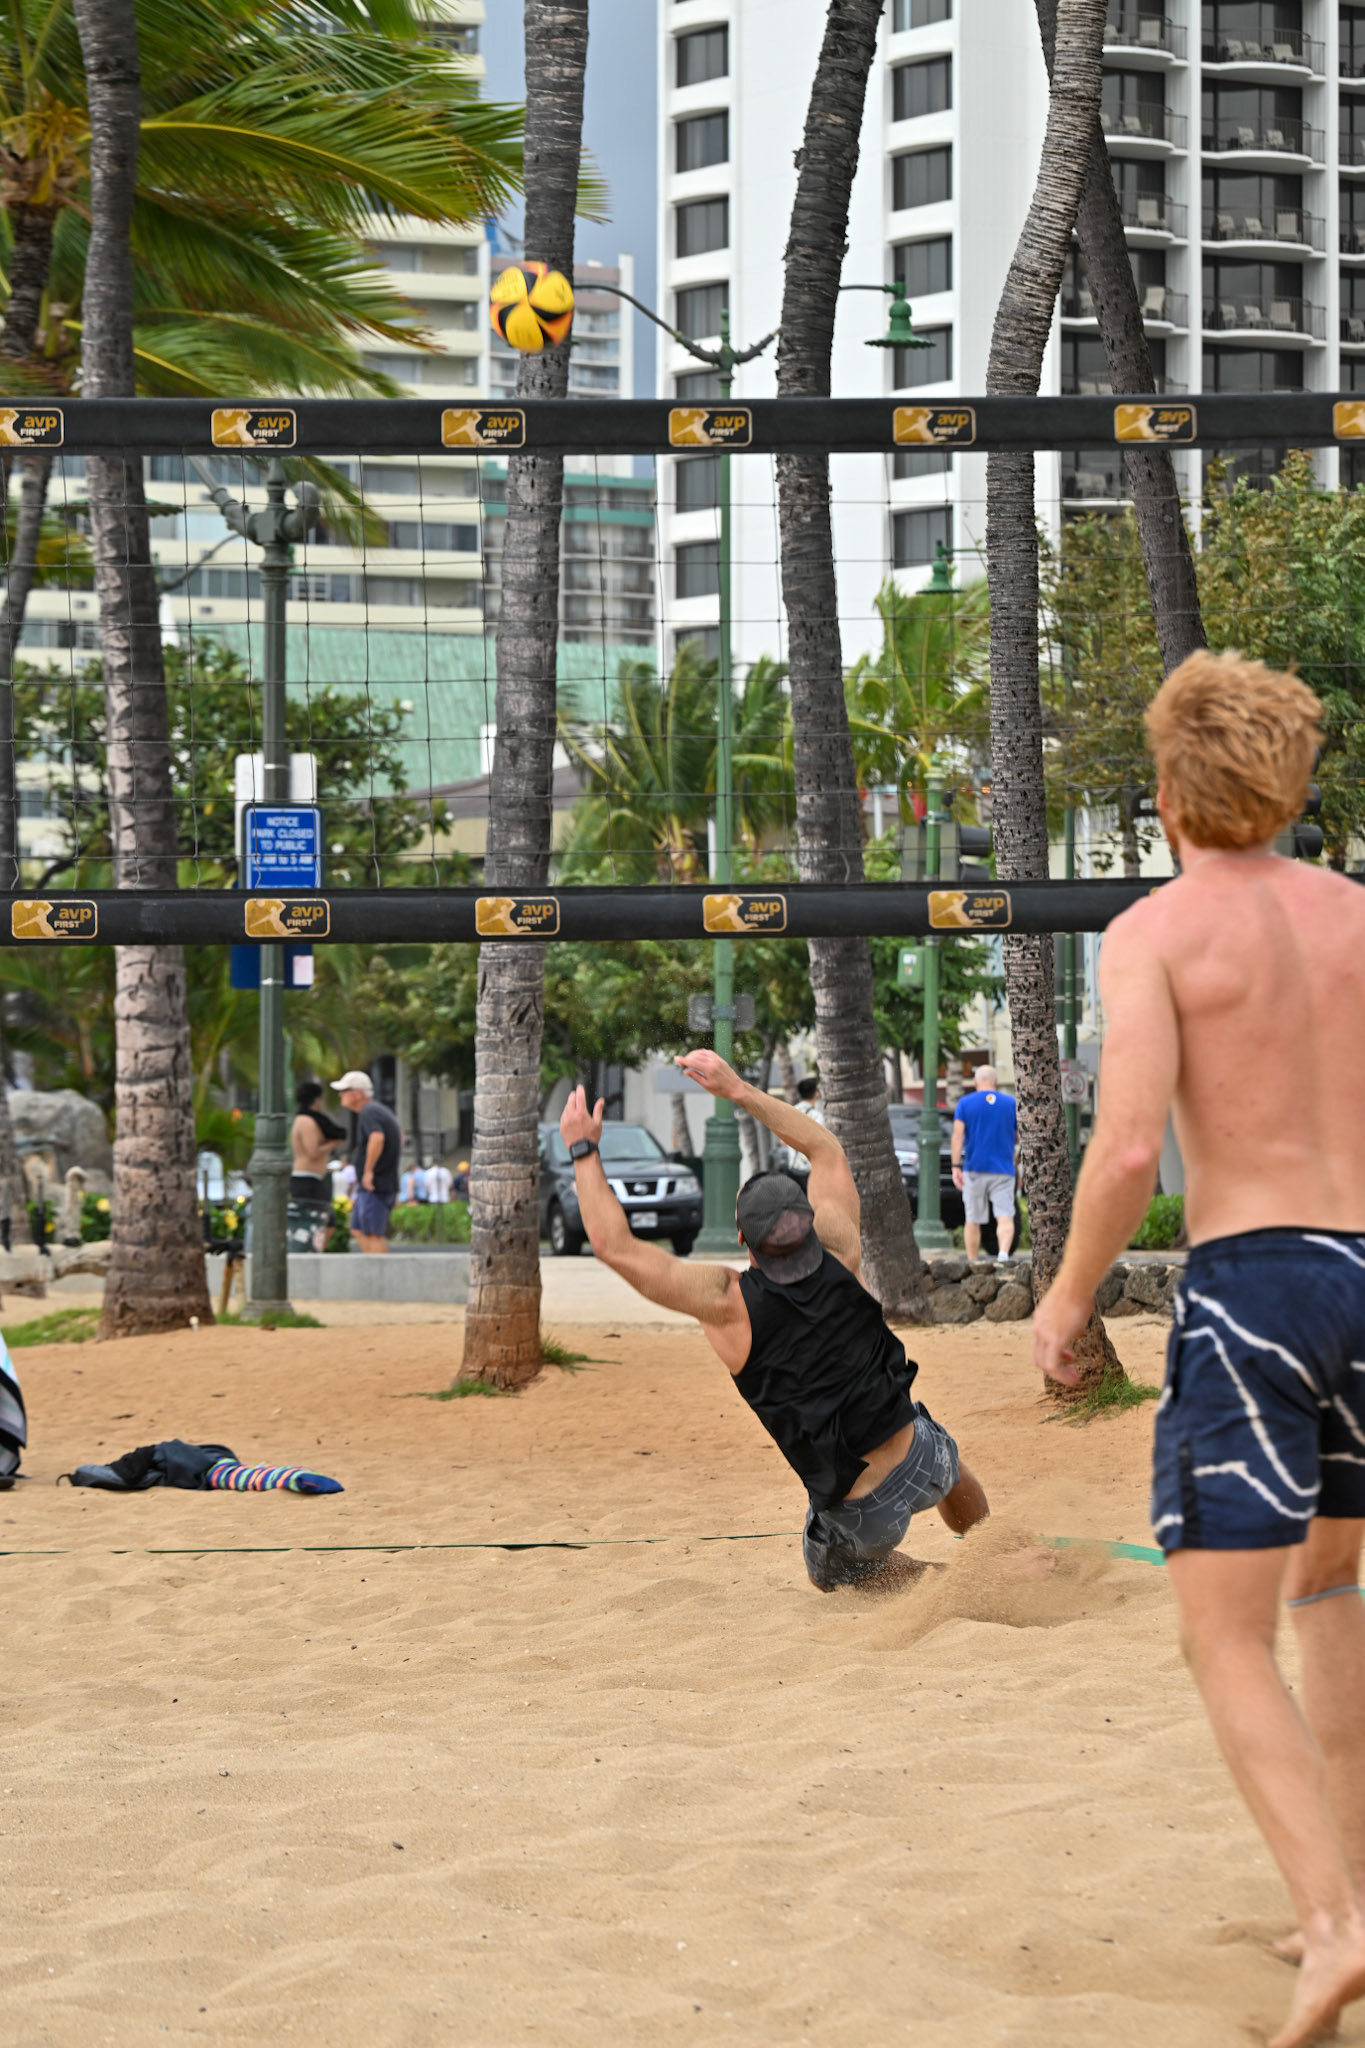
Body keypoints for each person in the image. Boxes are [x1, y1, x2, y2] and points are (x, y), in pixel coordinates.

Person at [1032, 652, 1365, 2048]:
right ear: (1289, 786)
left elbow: (1124, 1153)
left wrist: (1065, 1301)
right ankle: (1348, 1892)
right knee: (1331, 1589)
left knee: (1221, 1633)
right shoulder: (1357, 917)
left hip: (1256, 1286)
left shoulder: (1156, 931)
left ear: (1167, 796)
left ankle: (1336, 1926)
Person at [560, 1047, 989, 1592]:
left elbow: (613, 1245)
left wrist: (583, 1150)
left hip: (863, 1514)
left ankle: (943, 1583)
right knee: (945, 1458)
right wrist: (738, 1090)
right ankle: (992, 1548)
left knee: (829, 1572)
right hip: (920, 1457)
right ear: (808, 1221)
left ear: (743, 1237)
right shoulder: (840, 1248)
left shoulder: (726, 1302)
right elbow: (824, 1149)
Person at [951, 1065, 1018, 1263]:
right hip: (1003, 1170)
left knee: (973, 1219)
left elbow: (957, 1136)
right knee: (1005, 1216)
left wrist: (955, 1166)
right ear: (996, 1082)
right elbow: (1019, 1136)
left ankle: (973, 1262)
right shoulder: (1011, 1103)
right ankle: (1003, 1255)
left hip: (974, 1169)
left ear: (975, 1082)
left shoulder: (965, 1103)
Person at [332, 1070, 402, 1254]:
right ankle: (373, 1266)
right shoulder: (375, 1111)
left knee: (372, 1233)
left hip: (375, 1184)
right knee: (358, 1229)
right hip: (375, 1184)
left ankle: (381, 1270)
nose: (340, 1095)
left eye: (344, 1091)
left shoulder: (369, 1111)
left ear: (357, 1093)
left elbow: (377, 1138)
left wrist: (368, 1171)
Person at [291, 1081, 345, 1210]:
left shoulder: (305, 1119)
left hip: (312, 1178)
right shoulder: (306, 1121)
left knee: (324, 1218)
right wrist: (334, 1143)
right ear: (316, 1100)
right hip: (307, 1179)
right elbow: (313, 1152)